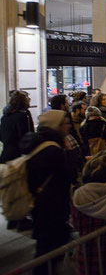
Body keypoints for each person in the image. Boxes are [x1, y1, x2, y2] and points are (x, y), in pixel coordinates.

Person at [19, 110, 79, 274]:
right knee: (48, 249)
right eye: (64, 124)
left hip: (41, 205)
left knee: (46, 247)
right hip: (51, 206)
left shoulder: (37, 143)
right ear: (56, 126)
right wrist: (70, 153)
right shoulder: (52, 149)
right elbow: (68, 175)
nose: (68, 127)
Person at [0, 91, 35, 230]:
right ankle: (22, 219)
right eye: (27, 98)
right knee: (22, 189)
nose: (30, 99)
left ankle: (12, 219)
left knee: (10, 189)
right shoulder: (24, 115)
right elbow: (27, 136)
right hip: (19, 157)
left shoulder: (5, 116)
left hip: (6, 156)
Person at [0, 91, 34, 164]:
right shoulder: (22, 116)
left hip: (5, 154)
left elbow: (1, 136)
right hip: (18, 157)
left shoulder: (4, 117)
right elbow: (25, 136)